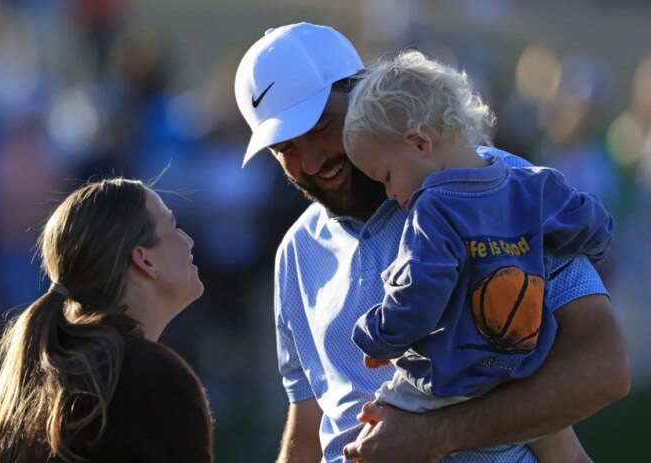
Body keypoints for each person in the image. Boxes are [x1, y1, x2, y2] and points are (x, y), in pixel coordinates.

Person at [234, 23, 629, 463]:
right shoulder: (296, 251)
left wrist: (435, 436)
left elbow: (603, 369)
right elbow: (309, 427)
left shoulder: (495, 186)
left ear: (363, 93)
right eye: (284, 148)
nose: (310, 161)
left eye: (322, 126)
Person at [342, 50, 614, 462]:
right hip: (523, 369)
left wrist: (378, 337)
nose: (390, 195)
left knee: (377, 432)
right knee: (561, 447)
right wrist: (592, 245)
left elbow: (419, 296)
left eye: (386, 177)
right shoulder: (530, 185)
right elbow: (591, 222)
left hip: (452, 374)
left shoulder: (433, 208)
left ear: (420, 142)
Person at [0, 178, 213, 463]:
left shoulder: (36, 387)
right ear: (145, 260)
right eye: (173, 227)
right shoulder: (150, 381)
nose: (188, 241)